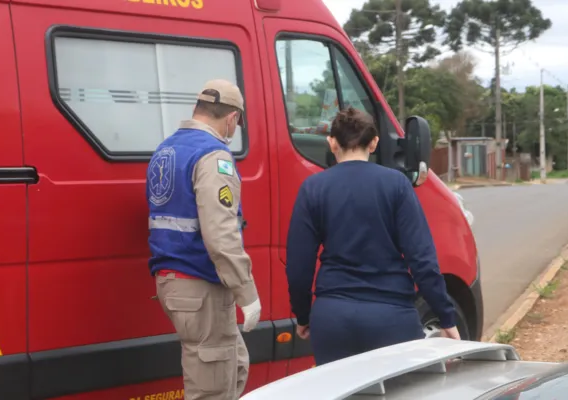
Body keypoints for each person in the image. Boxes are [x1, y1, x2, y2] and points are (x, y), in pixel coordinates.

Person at [285, 107, 460, 366]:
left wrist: (303, 315)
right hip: (392, 319)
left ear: (332, 143)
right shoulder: (397, 185)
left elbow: (298, 266)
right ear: (375, 142)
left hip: (333, 317)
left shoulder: (313, 188)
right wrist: (446, 318)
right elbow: (422, 260)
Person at [146, 79, 261, 399]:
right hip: (200, 284)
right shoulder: (213, 156)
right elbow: (221, 233)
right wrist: (247, 292)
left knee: (233, 364)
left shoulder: (166, 149)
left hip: (173, 281)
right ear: (232, 118)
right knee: (212, 387)